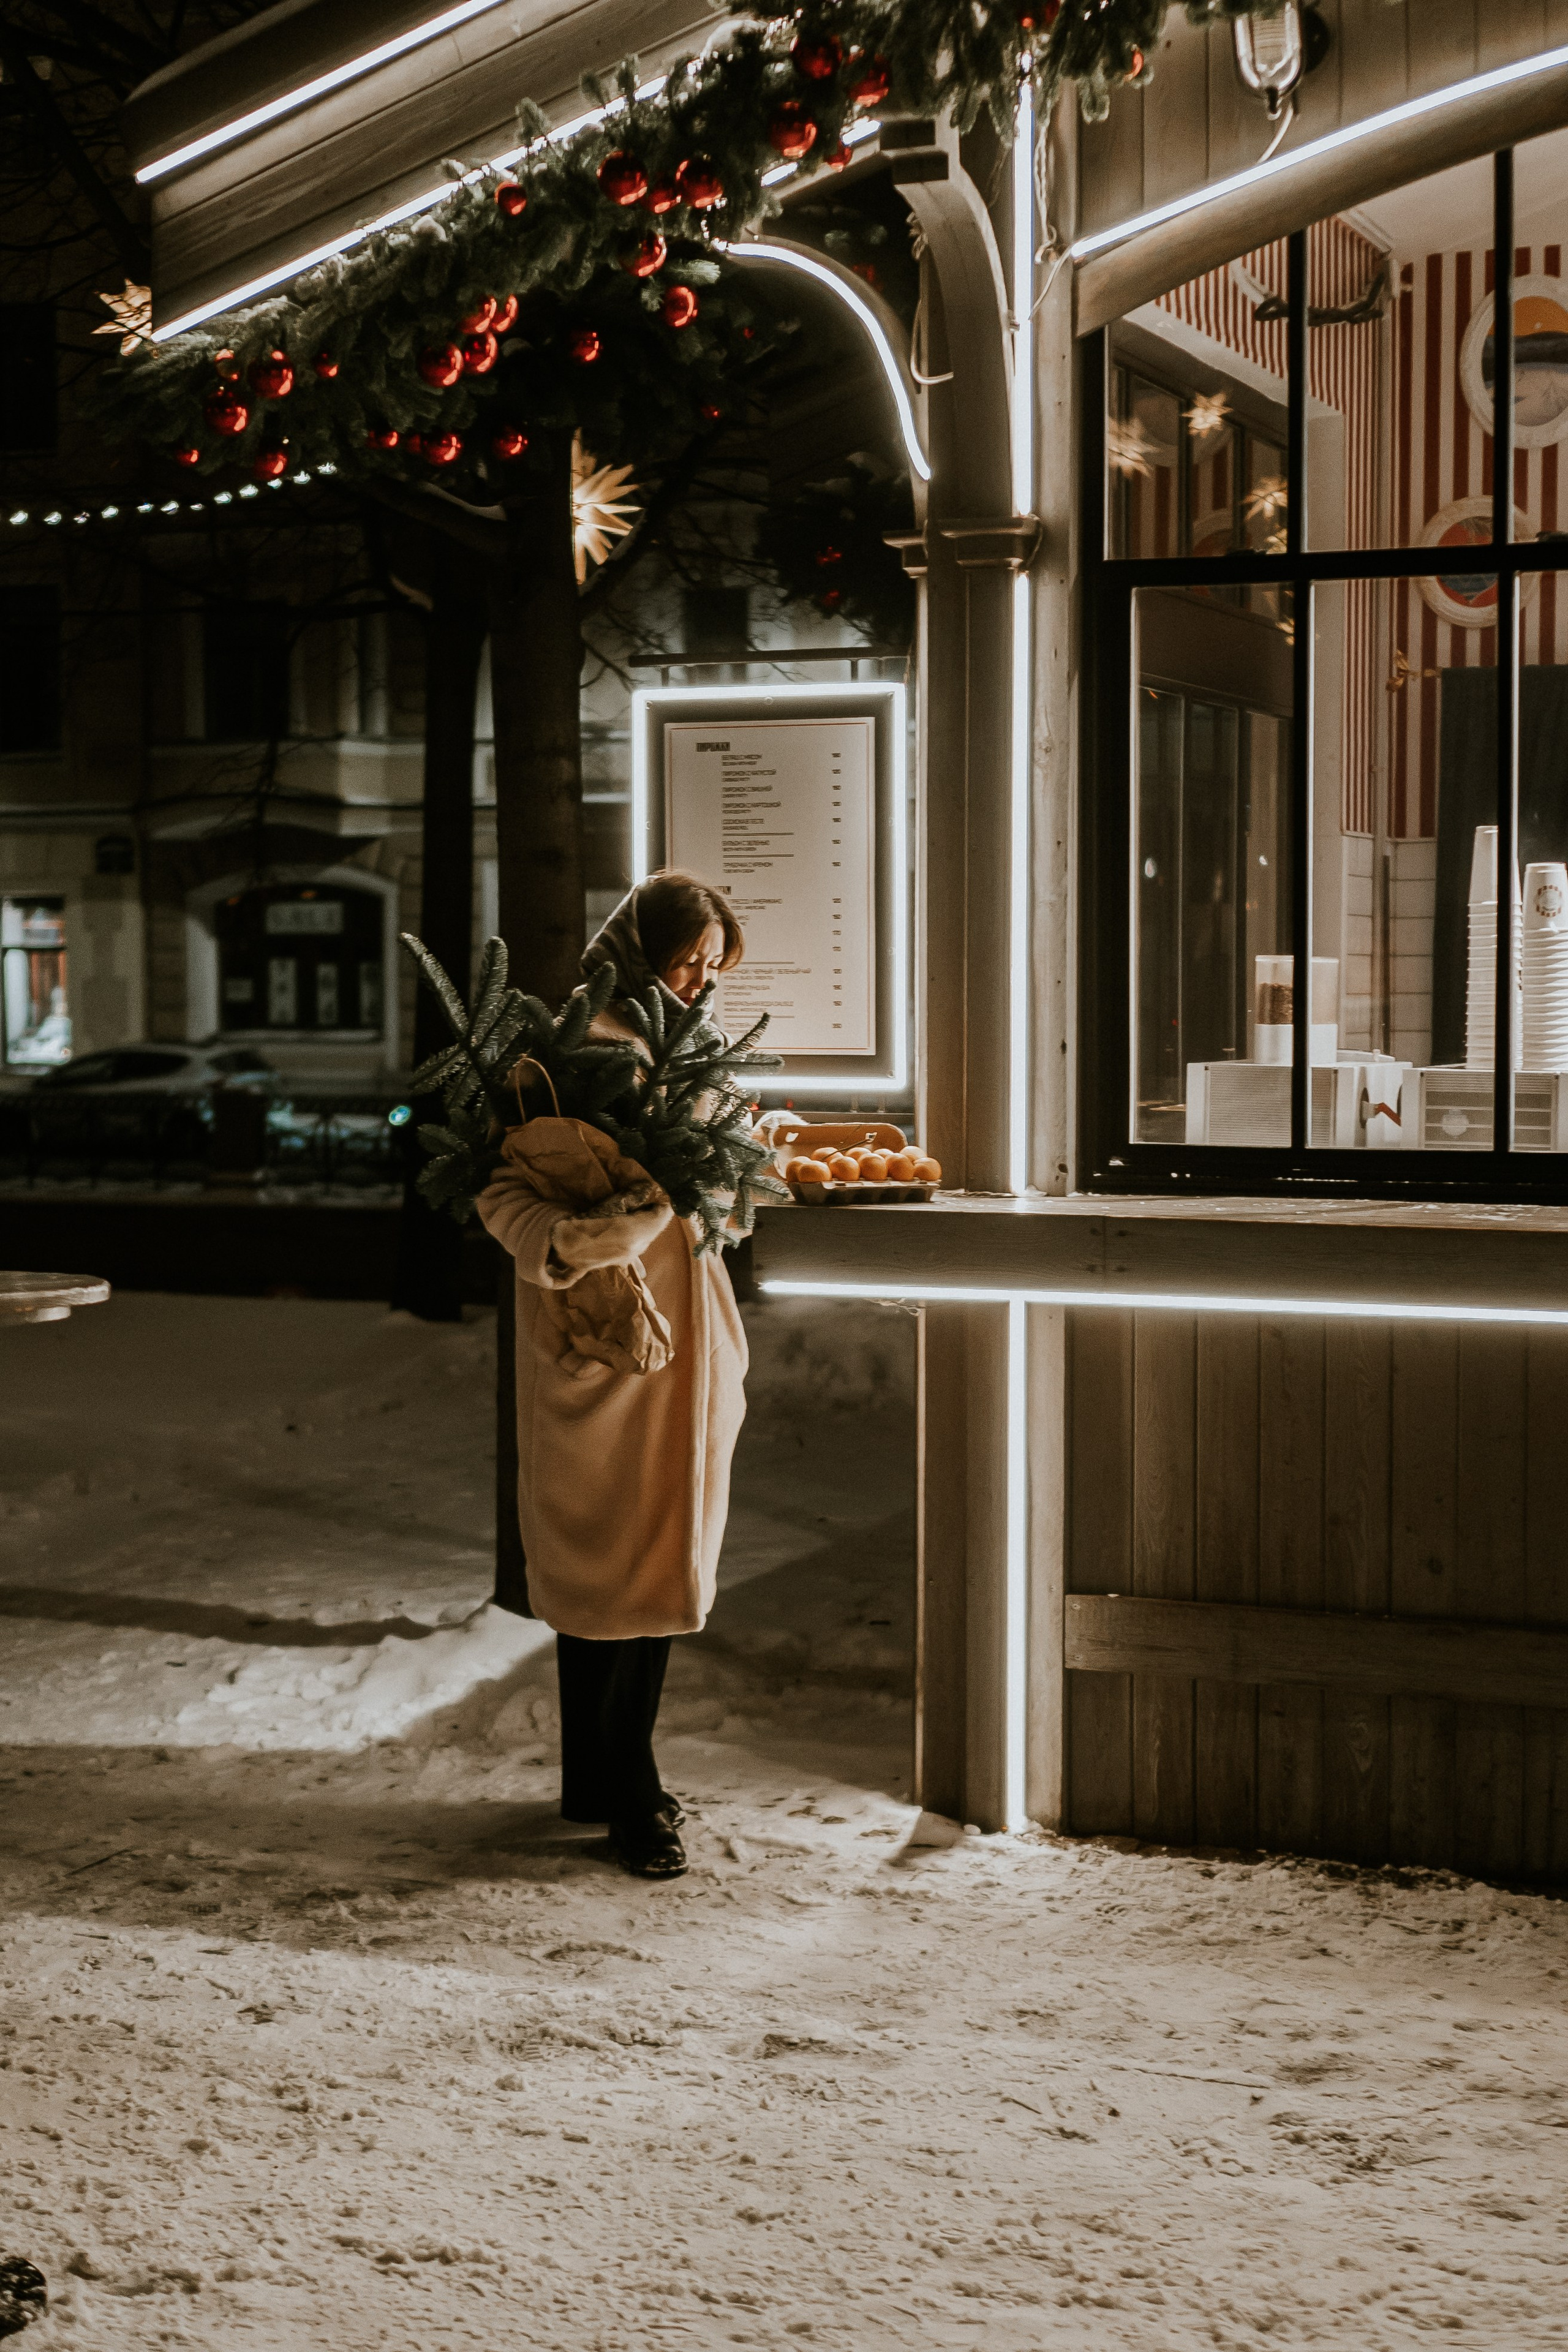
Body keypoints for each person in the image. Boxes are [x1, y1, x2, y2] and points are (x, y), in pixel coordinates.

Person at [477, 873, 749, 1880]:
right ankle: (629, 1795)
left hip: (688, 1350)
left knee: (662, 1566)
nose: (701, 978)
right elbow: (502, 1189)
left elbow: (721, 1188)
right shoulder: (578, 1049)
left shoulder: (698, 1051)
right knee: (604, 1568)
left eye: (716, 962)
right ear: (641, 949)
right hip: (600, 1345)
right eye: (688, 957)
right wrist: (581, 1243)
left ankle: (605, 1776)